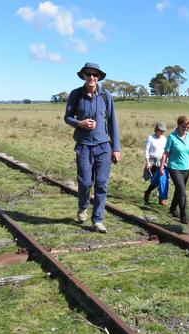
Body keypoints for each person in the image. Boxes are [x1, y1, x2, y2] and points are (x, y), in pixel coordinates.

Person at [64, 62, 121, 233]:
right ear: (83, 76)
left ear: (98, 77)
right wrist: (79, 123)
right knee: (85, 182)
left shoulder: (106, 95)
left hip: (104, 147)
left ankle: (97, 220)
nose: (92, 77)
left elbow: (112, 123)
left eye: (95, 75)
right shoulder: (76, 94)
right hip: (83, 146)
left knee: (102, 184)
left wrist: (116, 148)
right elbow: (67, 117)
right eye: (88, 74)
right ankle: (83, 206)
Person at [159, 115, 189, 224]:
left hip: (186, 168)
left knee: (179, 190)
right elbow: (166, 153)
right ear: (178, 125)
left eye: (187, 127)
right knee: (182, 191)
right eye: (183, 127)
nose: (185, 129)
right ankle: (184, 216)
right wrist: (162, 166)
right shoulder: (172, 137)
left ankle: (172, 209)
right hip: (174, 167)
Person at [143, 122, 169, 205]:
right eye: (160, 130)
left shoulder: (164, 139)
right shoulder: (150, 137)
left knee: (162, 179)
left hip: (162, 162)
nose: (161, 132)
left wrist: (167, 160)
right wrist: (147, 162)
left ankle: (161, 199)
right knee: (155, 180)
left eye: (163, 131)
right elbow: (146, 150)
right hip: (152, 162)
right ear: (157, 129)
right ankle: (148, 192)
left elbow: (166, 151)